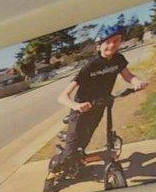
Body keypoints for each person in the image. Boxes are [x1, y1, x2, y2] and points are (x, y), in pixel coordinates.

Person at [52, 29, 145, 173]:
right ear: (99, 46)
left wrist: (136, 82)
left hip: (100, 107)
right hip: (81, 111)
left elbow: (128, 75)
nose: (112, 45)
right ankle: (52, 174)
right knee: (68, 155)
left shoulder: (118, 59)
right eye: (107, 42)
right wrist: (76, 105)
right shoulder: (91, 65)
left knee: (81, 145)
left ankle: (75, 162)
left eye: (116, 41)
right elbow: (62, 96)